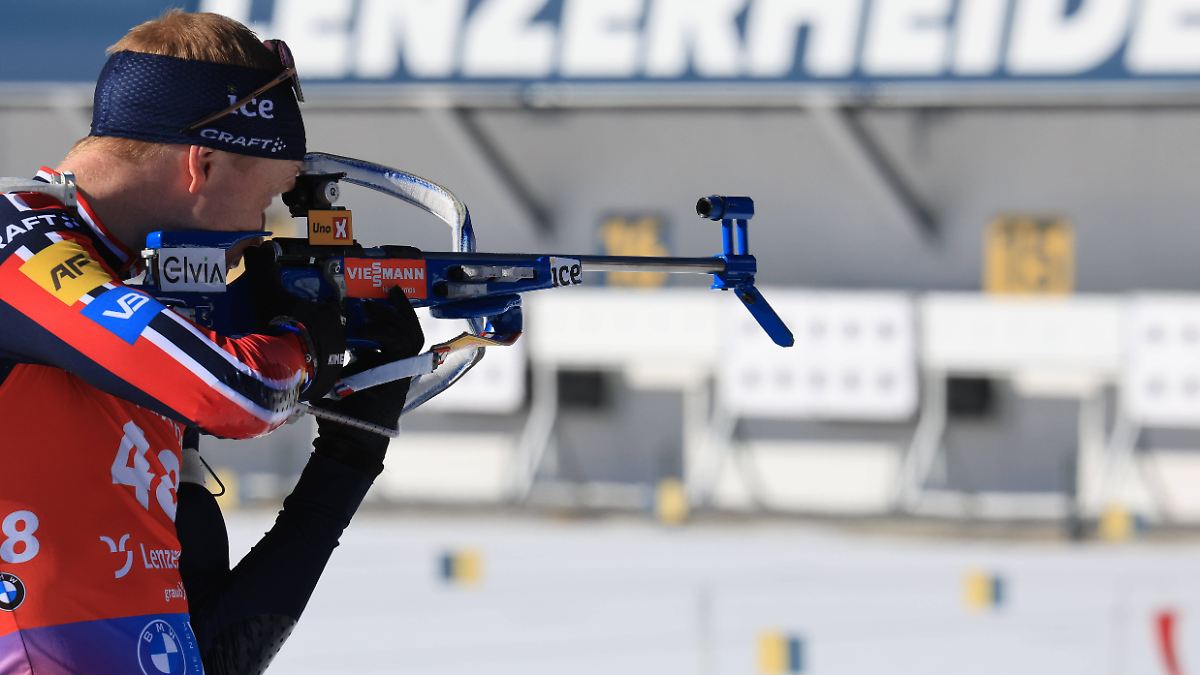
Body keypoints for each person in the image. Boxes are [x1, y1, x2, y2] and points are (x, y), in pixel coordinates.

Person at [0, 10, 422, 674]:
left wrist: (350, 456)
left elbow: (215, 650)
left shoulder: (128, 295)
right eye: (267, 201)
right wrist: (307, 338)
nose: (259, 231)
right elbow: (242, 392)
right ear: (203, 163)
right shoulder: (15, 240)